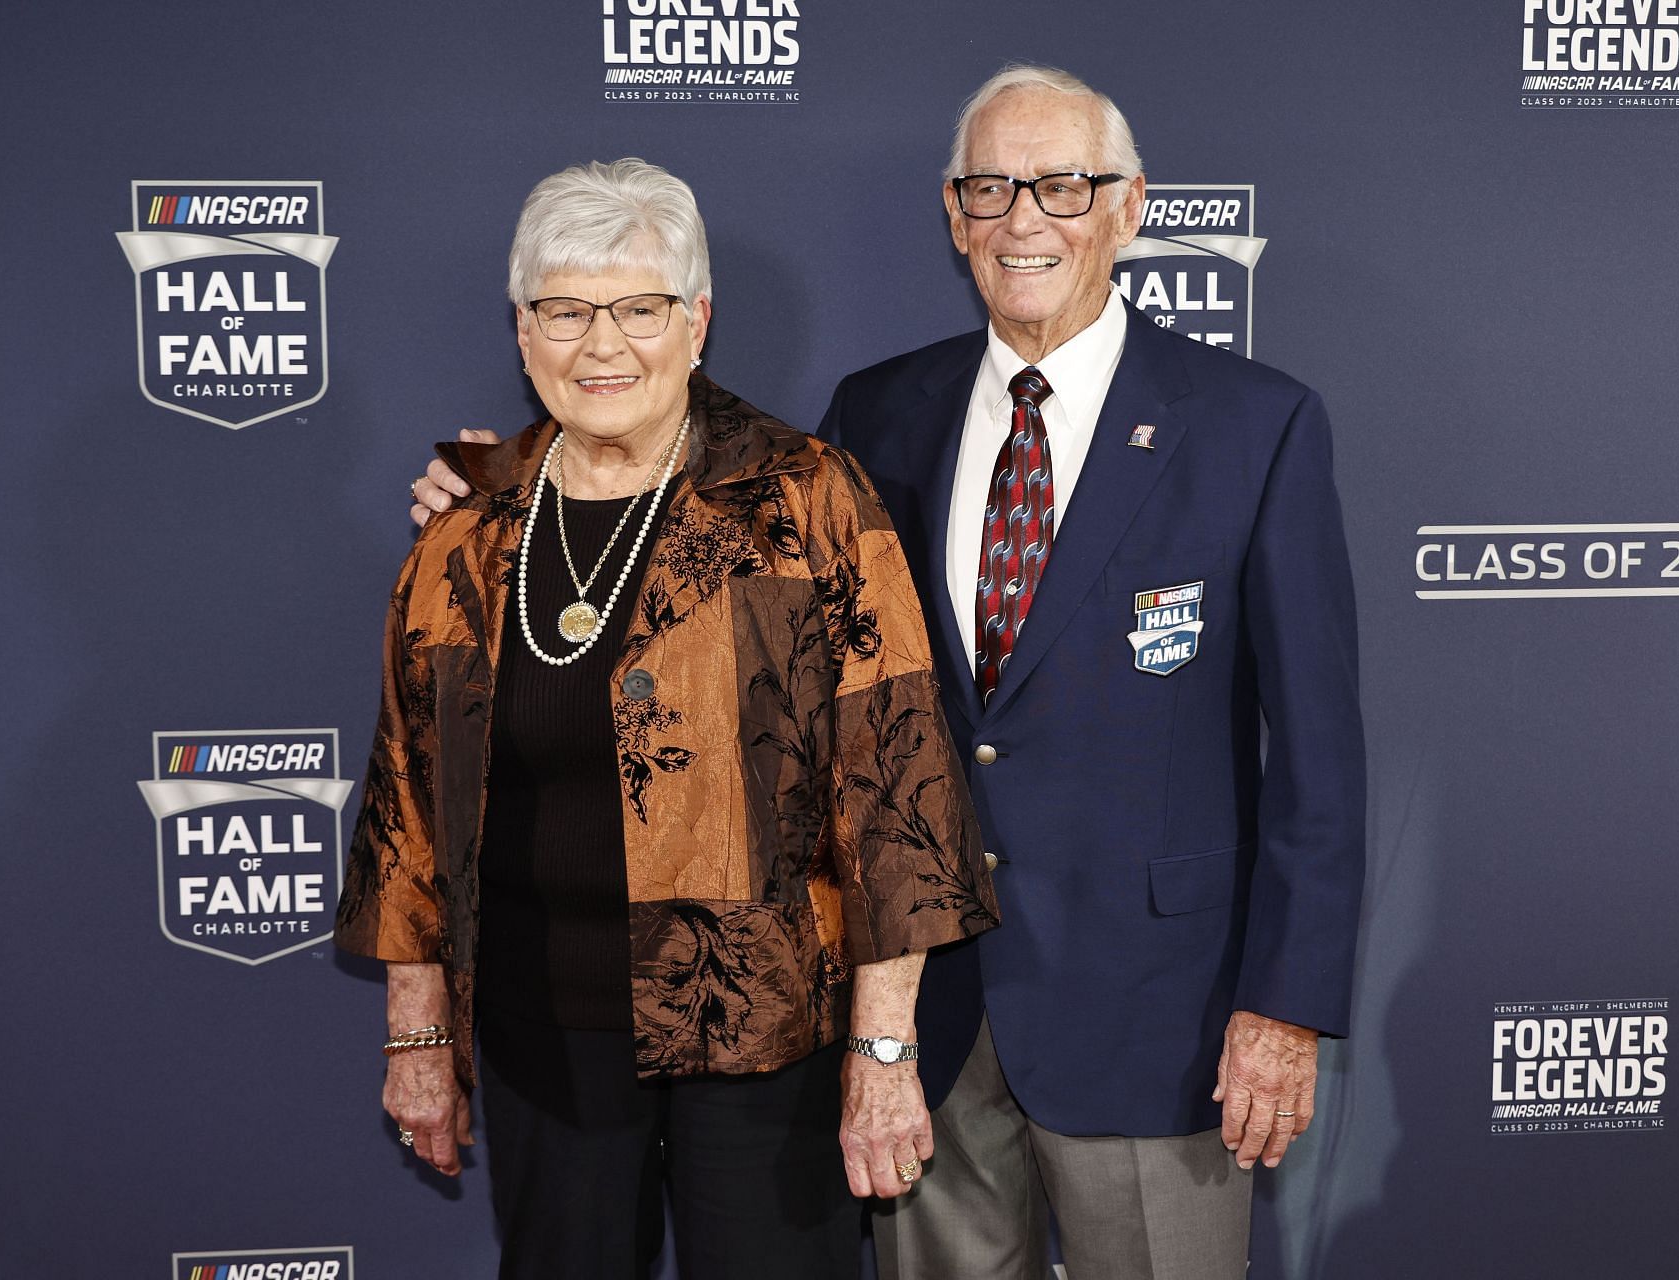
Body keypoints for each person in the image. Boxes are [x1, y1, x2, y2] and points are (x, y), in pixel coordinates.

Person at [415, 66, 1365, 1279]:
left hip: (1158, 1015)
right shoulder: (880, 413)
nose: (1025, 218)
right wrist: (509, 484)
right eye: (989, 188)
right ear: (955, 217)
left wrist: (1281, 1006)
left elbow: (1321, 758)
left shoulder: (1253, 424)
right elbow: (705, 507)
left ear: (1129, 208)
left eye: (1062, 185)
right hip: (919, 1015)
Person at [341, 157, 997, 1280]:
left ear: (697, 321)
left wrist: (884, 1049)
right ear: (521, 328)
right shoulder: (470, 528)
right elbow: (410, 800)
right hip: (544, 1037)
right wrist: (418, 1033)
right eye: (565, 310)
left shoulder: (806, 499)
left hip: (768, 1035)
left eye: (639, 308)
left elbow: (897, 795)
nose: (603, 345)